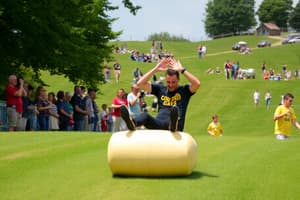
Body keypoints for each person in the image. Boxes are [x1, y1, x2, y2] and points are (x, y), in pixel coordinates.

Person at [120, 58, 200, 132]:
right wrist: (155, 69)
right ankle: (132, 123)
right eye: (168, 82)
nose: (171, 85)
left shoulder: (184, 90)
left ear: (178, 80)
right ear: (165, 80)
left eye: (173, 82)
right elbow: (140, 84)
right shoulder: (160, 89)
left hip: (175, 124)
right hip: (159, 124)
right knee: (145, 115)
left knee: (174, 112)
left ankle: (173, 126)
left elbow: (197, 83)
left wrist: (182, 70)